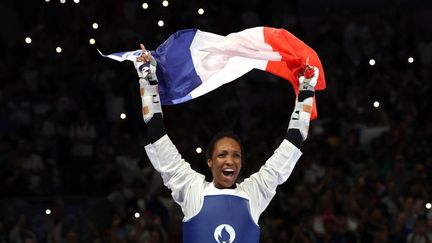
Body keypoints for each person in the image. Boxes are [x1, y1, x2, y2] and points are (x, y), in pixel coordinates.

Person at [135, 44, 319, 243]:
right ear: (210, 162)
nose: (230, 160)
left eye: (236, 155)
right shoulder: (192, 188)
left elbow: (292, 144)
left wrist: (307, 90)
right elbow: (157, 135)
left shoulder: (253, 193)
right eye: (222, 154)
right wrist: (147, 80)